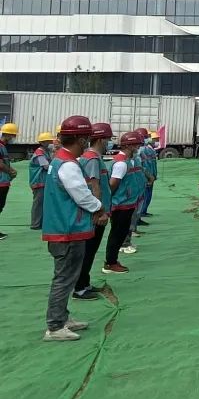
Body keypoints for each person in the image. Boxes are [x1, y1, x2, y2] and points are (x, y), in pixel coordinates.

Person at [42, 115, 107, 341]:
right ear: (80, 139)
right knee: (64, 278)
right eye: (86, 138)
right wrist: (99, 209)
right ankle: (55, 326)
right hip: (67, 230)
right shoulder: (68, 165)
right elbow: (82, 195)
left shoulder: (60, 161)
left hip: (63, 227)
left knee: (67, 277)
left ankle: (62, 317)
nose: (88, 143)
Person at [73, 122, 113, 300]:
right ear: (101, 139)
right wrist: (99, 212)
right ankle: (79, 287)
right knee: (88, 250)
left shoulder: (93, 158)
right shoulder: (92, 159)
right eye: (108, 139)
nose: (109, 143)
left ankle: (85, 282)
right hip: (94, 215)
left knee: (91, 250)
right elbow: (94, 186)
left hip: (96, 212)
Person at [102, 132, 146, 273]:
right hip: (120, 205)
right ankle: (110, 262)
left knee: (120, 233)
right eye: (137, 145)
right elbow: (113, 185)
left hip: (128, 203)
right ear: (130, 145)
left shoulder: (130, 160)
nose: (138, 147)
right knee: (117, 233)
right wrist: (110, 202)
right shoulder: (121, 163)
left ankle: (112, 261)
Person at [28, 131, 55, 231]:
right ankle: (35, 224)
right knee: (38, 203)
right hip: (38, 181)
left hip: (43, 181)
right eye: (48, 141)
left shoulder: (45, 151)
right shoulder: (40, 153)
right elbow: (46, 166)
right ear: (43, 142)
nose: (50, 142)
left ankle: (40, 223)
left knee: (42, 203)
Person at [0, 122, 17, 239]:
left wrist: (11, 170)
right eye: (13, 135)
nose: (13, 138)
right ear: (8, 135)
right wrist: (10, 171)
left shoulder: (2, 146)